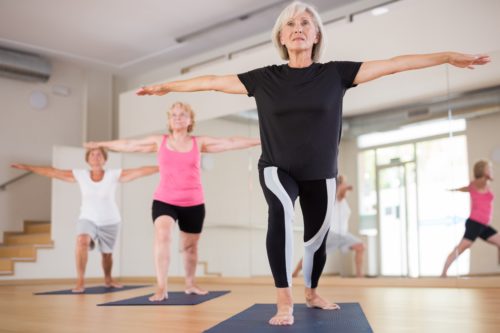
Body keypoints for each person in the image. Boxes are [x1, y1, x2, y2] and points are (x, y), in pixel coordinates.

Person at [135, 1, 490, 325]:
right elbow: (212, 81)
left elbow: (395, 65)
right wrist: (168, 86)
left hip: (320, 172)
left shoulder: (335, 74)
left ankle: (312, 290)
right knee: (281, 214)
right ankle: (284, 299)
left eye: (306, 22)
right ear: (282, 37)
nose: (298, 28)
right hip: (277, 167)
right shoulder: (265, 78)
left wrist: (446, 56)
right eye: (290, 24)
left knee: (316, 239)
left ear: (317, 34)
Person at [85, 101, 260, 301]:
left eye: (182, 114)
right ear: (169, 120)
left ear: (190, 120)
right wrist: (101, 144)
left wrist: (261, 140)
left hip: (193, 203)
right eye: (174, 115)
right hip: (165, 200)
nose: (177, 117)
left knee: (190, 247)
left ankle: (190, 283)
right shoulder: (159, 142)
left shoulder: (199, 142)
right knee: (163, 234)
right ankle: (162, 287)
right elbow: (129, 145)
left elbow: (230, 142)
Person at [11, 148, 158, 292]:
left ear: (105, 159)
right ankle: (80, 280)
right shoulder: (80, 175)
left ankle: (108, 278)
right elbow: (54, 172)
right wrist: (28, 167)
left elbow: (139, 171)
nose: (95, 156)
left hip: (110, 220)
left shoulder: (113, 175)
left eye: (99, 154)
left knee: (107, 254)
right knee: (82, 240)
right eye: (92, 154)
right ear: (87, 160)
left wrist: (163, 167)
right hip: (87, 218)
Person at [292, 175, 365, 278]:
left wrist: (344, 185)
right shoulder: (336, 197)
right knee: (313, 255)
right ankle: (295, 272)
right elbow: (341, 192)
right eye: (344, 183)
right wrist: (345, 185)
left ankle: (359, 276)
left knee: (360, 246)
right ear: (339, 185)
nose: (346, 185)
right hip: (331, 234)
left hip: (343, 235)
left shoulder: (342, 202)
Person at [441, 160, 498, 277]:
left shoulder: (484, 184)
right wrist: (455, 190)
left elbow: (466, 188)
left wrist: (456, 190)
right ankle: (443, 273)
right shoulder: (478, 183)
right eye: (489, 169)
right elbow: (472, 185)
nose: (491, 171)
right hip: (474, 223)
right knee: (461, 248)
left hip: (484, 225)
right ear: (483, 171)